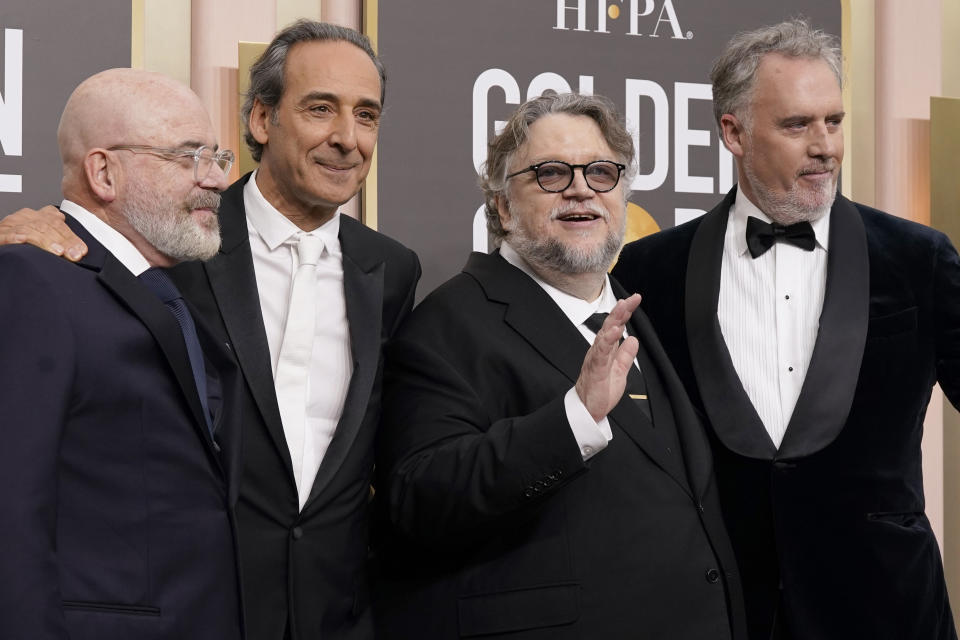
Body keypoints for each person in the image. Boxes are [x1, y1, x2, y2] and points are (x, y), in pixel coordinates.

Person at [0, 20, 420, 640]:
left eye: (366, 115)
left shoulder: (391, 270)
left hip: (335, 612)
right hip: (192, 606)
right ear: (260, 120)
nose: (346, 138)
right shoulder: (175, 236)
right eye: (320, 109)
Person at [612, 18, 960, 640]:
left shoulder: (920, 258)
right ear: (734, 132)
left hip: (885, 607)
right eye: (797, 125)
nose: (824, 145)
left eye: (834, 121)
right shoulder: (650, 268)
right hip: (718, 612)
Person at [373, 91, 746, 639]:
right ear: (501, 206)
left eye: (601, 172)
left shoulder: (644, 311)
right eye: (550, 173)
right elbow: (419, 497)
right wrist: (574, 418)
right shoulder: (447, 322)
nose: (581, 189)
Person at [0, 68, 242, 639]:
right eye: (188, 157)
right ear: (104, 172)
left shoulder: (175, 291)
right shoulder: (30, 279)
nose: (214, 181)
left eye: (217, 158)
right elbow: (10, 508)